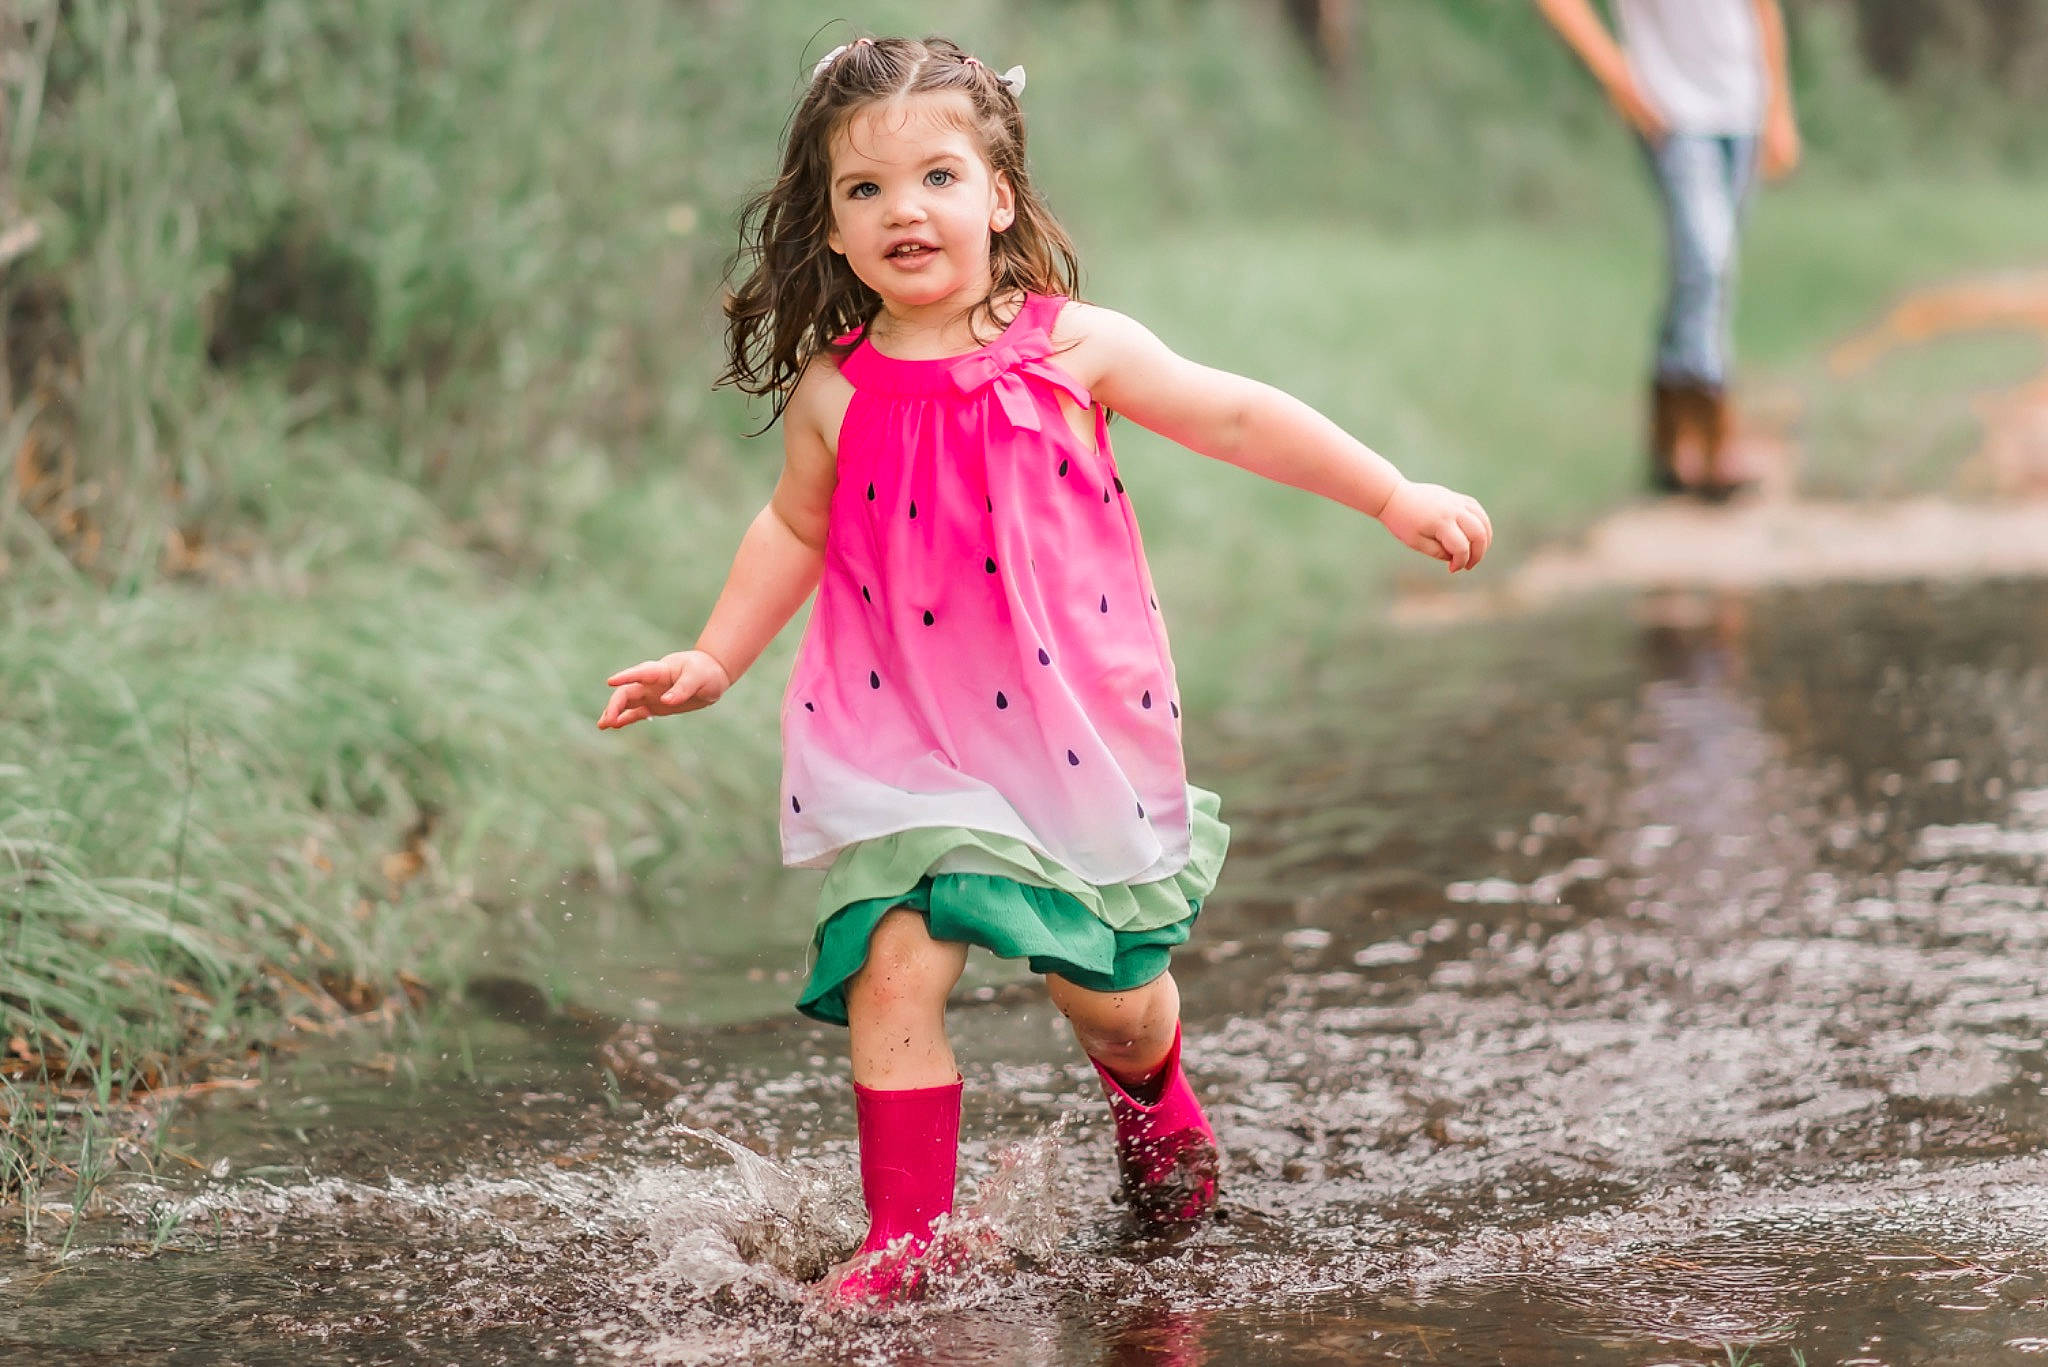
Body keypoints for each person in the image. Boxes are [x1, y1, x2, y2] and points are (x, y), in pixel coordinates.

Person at [595, 34, 1492, 1305]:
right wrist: (714, 653)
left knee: (1109, 998)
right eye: (865, 190)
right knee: (891, 959)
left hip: (1069, 725)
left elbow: (1231, 411)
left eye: (937, 176)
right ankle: (903, 1240)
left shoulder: (1076, 347)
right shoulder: (835, 391)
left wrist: (1390, 492)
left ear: (998, 196)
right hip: (901, 726)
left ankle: (1155, 1099)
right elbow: (795, 526)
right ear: (833, 229)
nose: (904, 208)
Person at [1535, 0, 1802, 496]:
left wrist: (1779, 107)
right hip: (1674, 112)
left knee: (1704, 274)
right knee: (1706, 263)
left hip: (1742, 107)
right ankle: (1717, 435)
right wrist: (1616, 74)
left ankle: (1667, 438)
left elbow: (1762, 9)